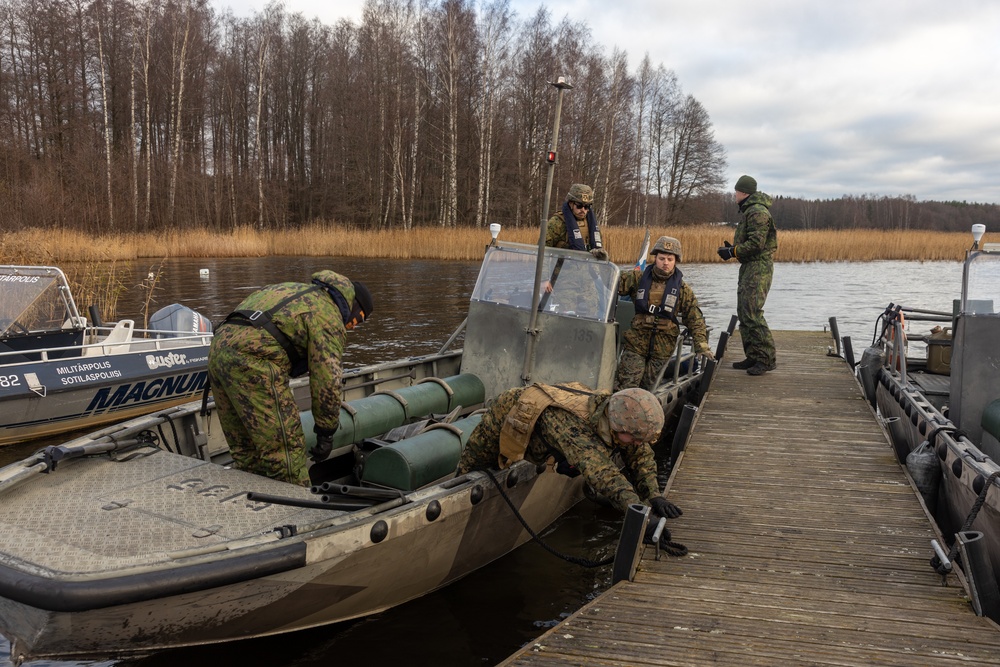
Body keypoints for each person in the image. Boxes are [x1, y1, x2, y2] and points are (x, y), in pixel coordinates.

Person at [208, 270, 374, 485]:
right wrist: (326, 432)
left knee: (246, 450)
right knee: (285, 455)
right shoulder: (328, 315)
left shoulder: (292, 289)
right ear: (352, 305)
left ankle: (256, 504)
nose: (352, 327)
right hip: (254, 363)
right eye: (357, 320)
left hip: (218, 352)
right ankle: (300, 514)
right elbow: (326, 381)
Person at [456, 383, 682, 530]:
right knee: (470, 470)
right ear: (617, 425)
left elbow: (640, 455)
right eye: (633, 437)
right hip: (507, 417)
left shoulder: (618, 417)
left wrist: (654, 496)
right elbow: (604, 475)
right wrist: (642, 516)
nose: (636, 443)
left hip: (548, 438)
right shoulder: (571, 428)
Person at [616, 236, 714, 391]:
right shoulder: (636, 278)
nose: (665, 263)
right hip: (636, 343)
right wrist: (603, 262)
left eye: (670, 259)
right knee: (626, 384)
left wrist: (701, 345)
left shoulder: (682, 289)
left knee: (648, 388)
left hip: (662, 348)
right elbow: (610, 282)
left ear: (676, 261)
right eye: (662, 258)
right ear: (655, 259)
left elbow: (695, 318)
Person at [717, 174, 778, 376]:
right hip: (749, 267)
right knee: (744, 312)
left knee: (752, 312)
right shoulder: (750, 211)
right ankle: (753, 355)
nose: (734, 195)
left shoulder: (757, 212)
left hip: (758, 268)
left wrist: (733, 252)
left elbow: (756, 244)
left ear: (743, 192)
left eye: (736, 191)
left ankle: (766, 359)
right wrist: (733, 249)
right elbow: (750, 243)